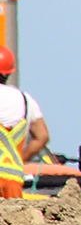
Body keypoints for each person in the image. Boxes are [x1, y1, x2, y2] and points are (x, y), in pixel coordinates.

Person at [0, 47, 49, 199]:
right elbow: (42, 136)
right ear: (9, 73)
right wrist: (19, 160)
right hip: (12, 178)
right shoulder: (26, 100)